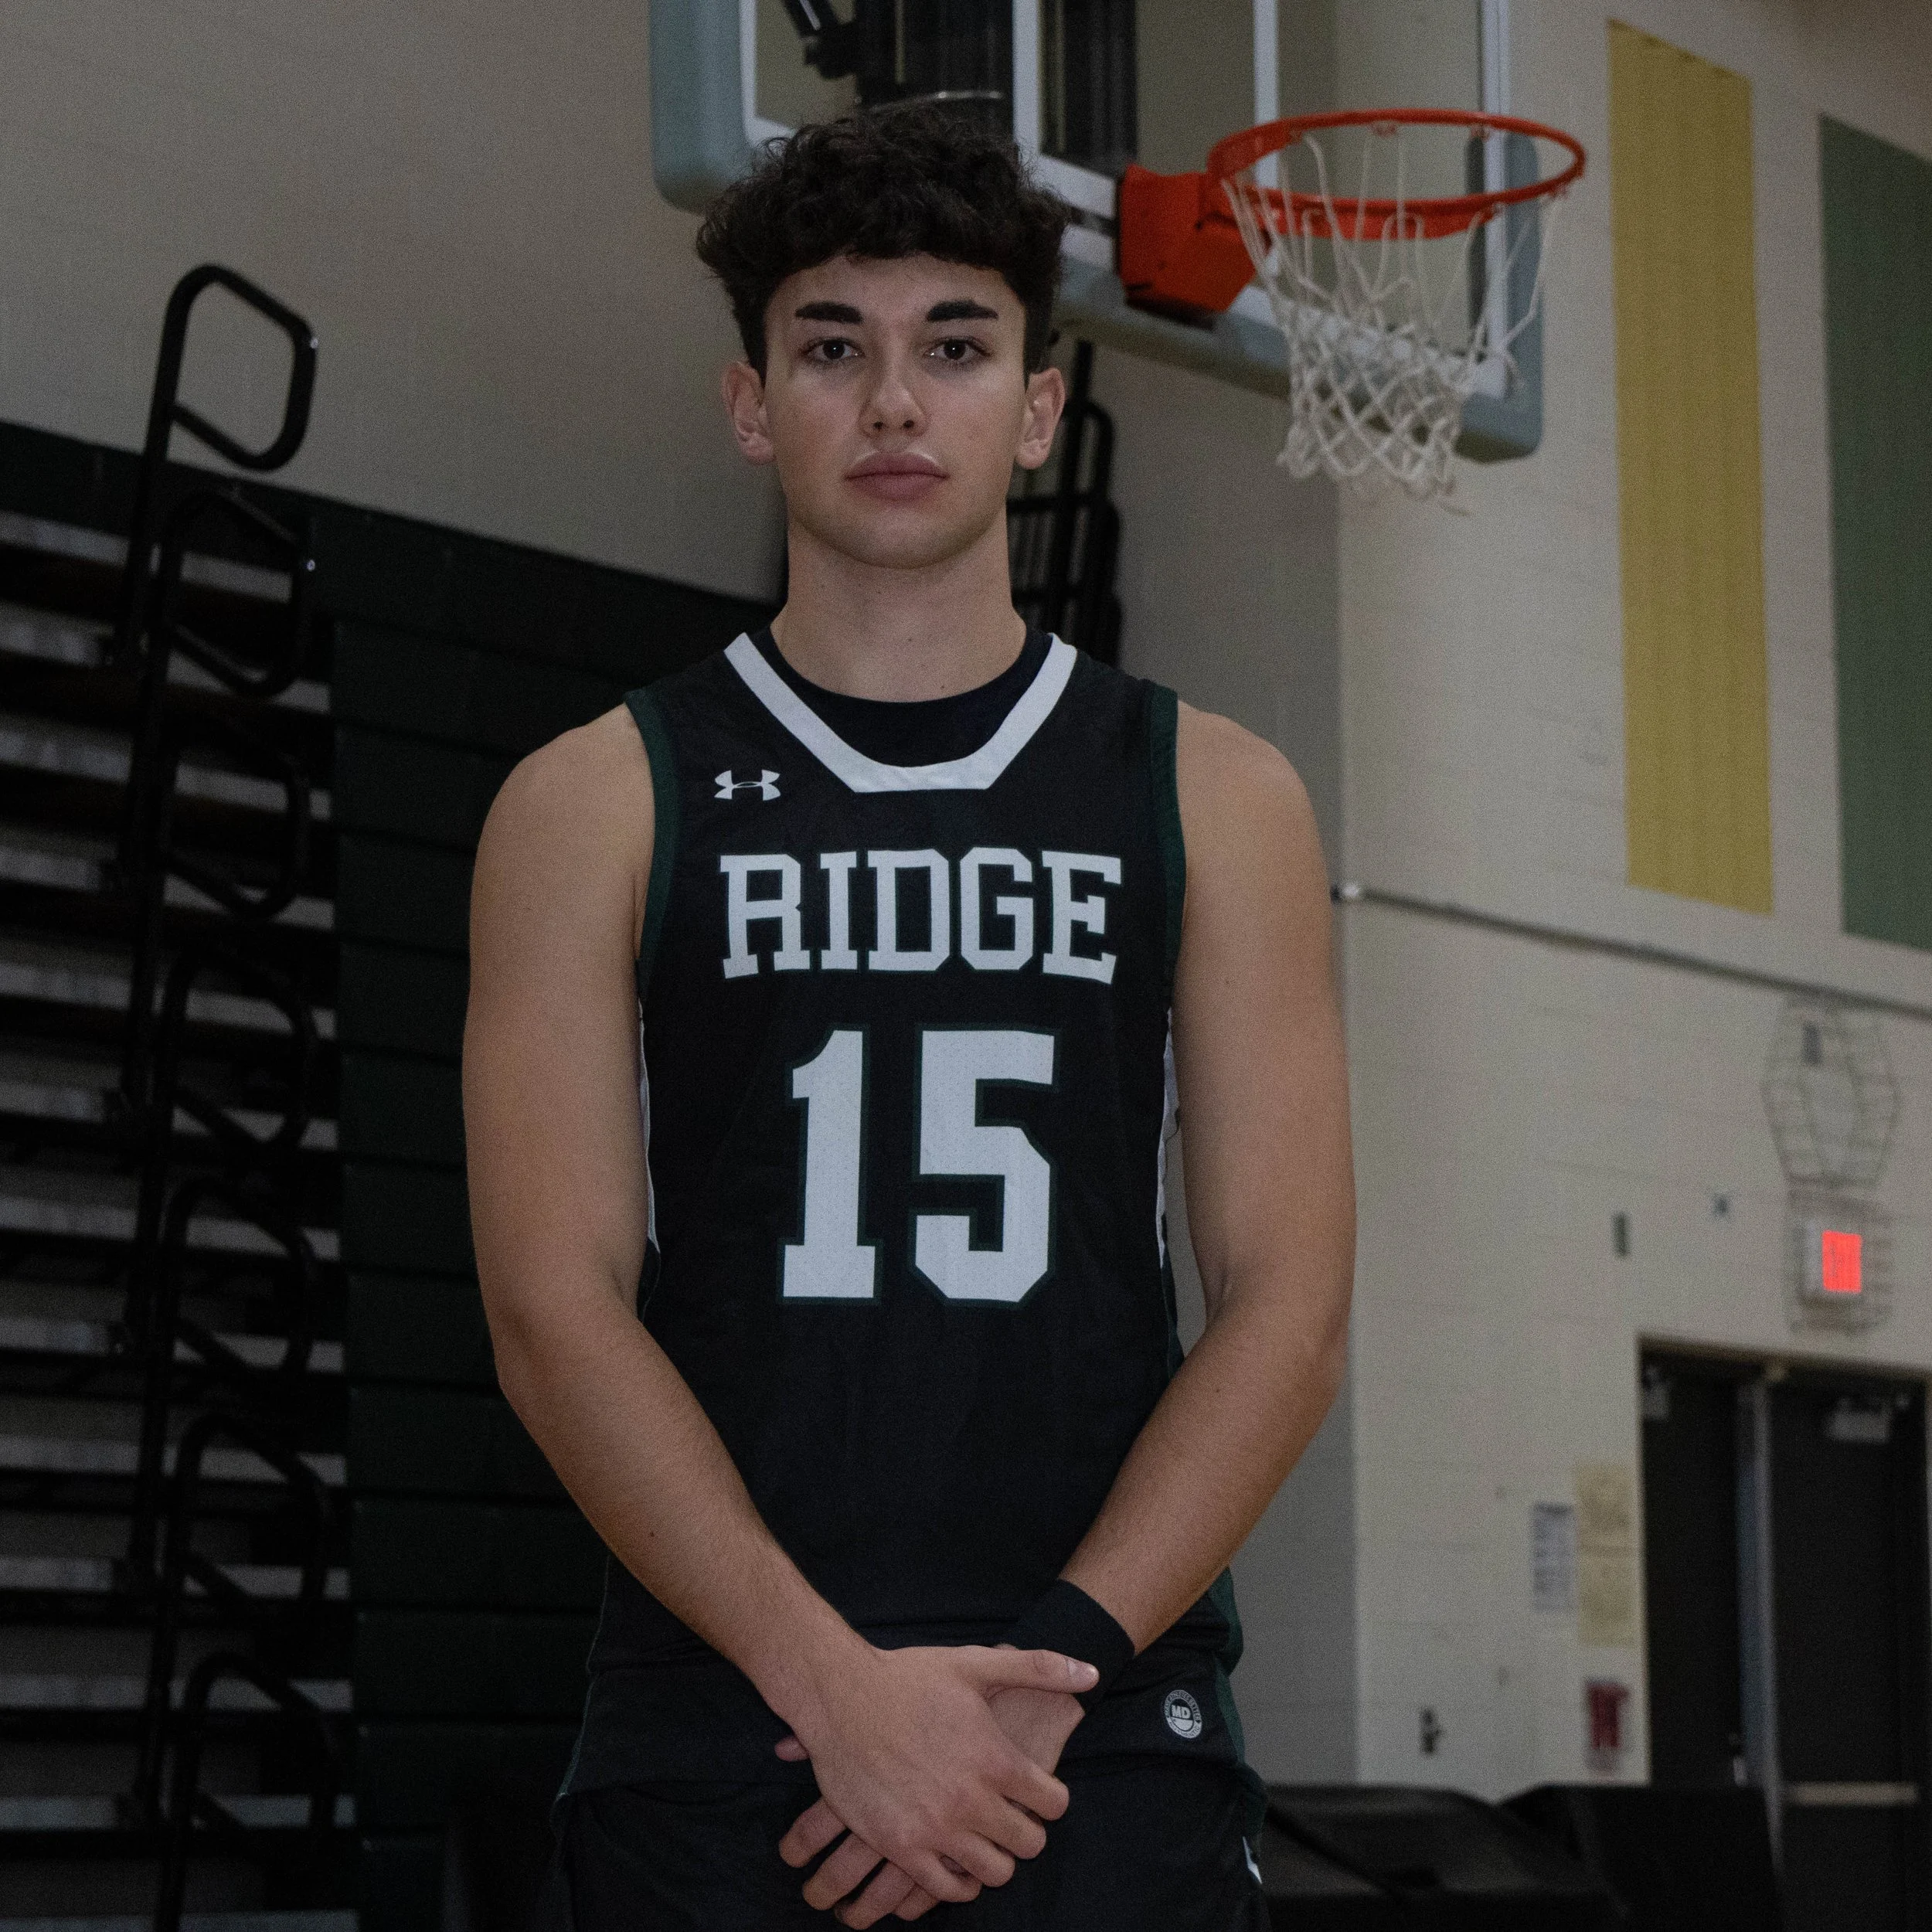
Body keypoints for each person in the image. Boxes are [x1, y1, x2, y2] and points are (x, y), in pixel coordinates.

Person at [464, 104, 1354, 1930]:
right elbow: (554, 1314)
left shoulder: (1211, 792)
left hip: (1094, 1723)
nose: (892, 401)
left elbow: (1287, 1301)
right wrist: (831, 1681)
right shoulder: (594, 798)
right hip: (728, 1717)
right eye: (830, 347)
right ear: (748, 402)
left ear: (1033, 408)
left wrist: (1049, 1665)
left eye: (954, 344)